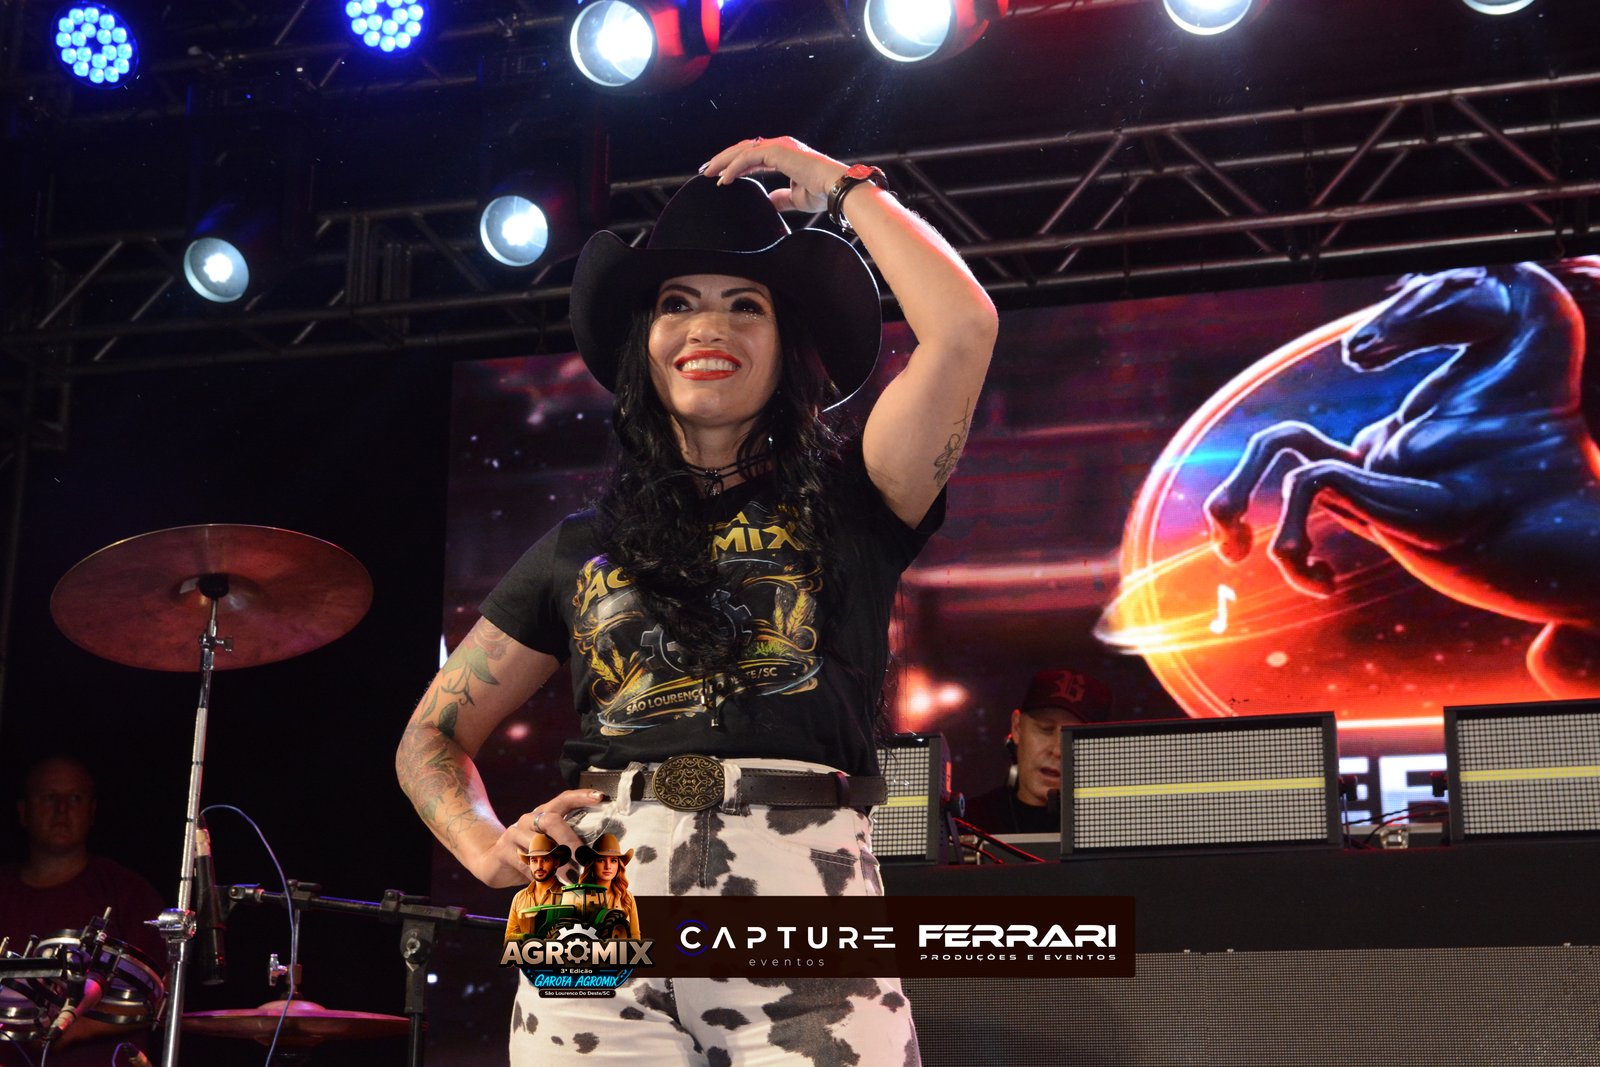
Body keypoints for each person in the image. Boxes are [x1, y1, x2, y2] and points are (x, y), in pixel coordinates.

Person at [396, 135, 996, 1065]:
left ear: (789, 343)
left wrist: (839, 187)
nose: (707, 328)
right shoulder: (578, 548)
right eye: (678, 303)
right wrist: (481, 843)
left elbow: (962, 328)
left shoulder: (861, 499)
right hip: (591, 891)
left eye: (744, 305)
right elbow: (430, 736)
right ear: (645, 343)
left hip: (801, 888)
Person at [0, 756, 166, 1067]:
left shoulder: (127, 891)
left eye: (75, 798)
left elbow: (162, 993)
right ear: (23, 812)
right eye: (49, 797)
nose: (62, 809)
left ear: (92, 812)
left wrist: (73, 1027)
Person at [963, 669, 1120, 835]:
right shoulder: (965, 824)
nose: (1057, 751)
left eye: (1074, 737)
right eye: (1046, 729)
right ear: (1017, 727)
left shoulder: (1114, 828)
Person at [502, 832, 570, 941]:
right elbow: (509, 938)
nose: (539, 866)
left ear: (556, 863)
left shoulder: (569, 897)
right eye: (534, 860)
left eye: (545, 860)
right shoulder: (519, 897)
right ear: (529, 863)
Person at [574, 834, 639, 940]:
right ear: (592, 864)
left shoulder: (627, 897)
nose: (608, 866)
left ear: (619, 865)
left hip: (622, 950)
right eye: (601, 860)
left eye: (613, 860)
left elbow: (635, 935)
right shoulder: (579, 896)